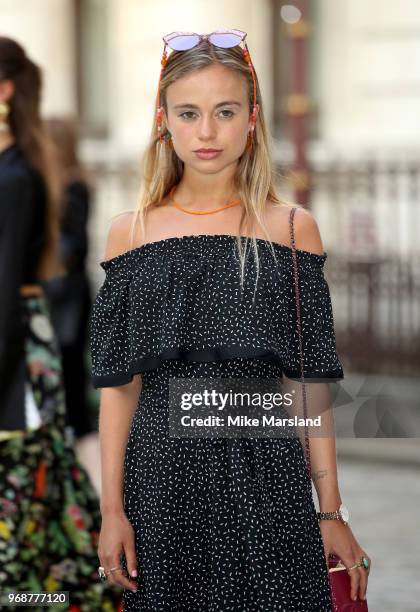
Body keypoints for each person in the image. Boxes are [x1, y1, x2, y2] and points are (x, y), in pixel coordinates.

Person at [91, 30, 371, 611]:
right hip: (162, 481)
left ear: (252, 119)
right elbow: (119, 390)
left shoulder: (293, 228)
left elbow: (309, 385)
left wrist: (330, 511)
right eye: (189, 113)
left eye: (225, 111)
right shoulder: (131, 232)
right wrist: (112, 512)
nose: (207, 132)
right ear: (163, 120)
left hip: (270, 475)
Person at [0, 37, 122, 611]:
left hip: (28, 340)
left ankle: (57, 595)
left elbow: (13, 284)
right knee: (42, 483)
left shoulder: (22, 175)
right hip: (32, 333)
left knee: (31, 487)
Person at [43, 117, 95, 440]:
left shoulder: (72, 187)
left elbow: (73, 245)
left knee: (69, 363)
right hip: (62, 291)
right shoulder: (55, 184)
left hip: (66, 294)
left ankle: (73, 428)